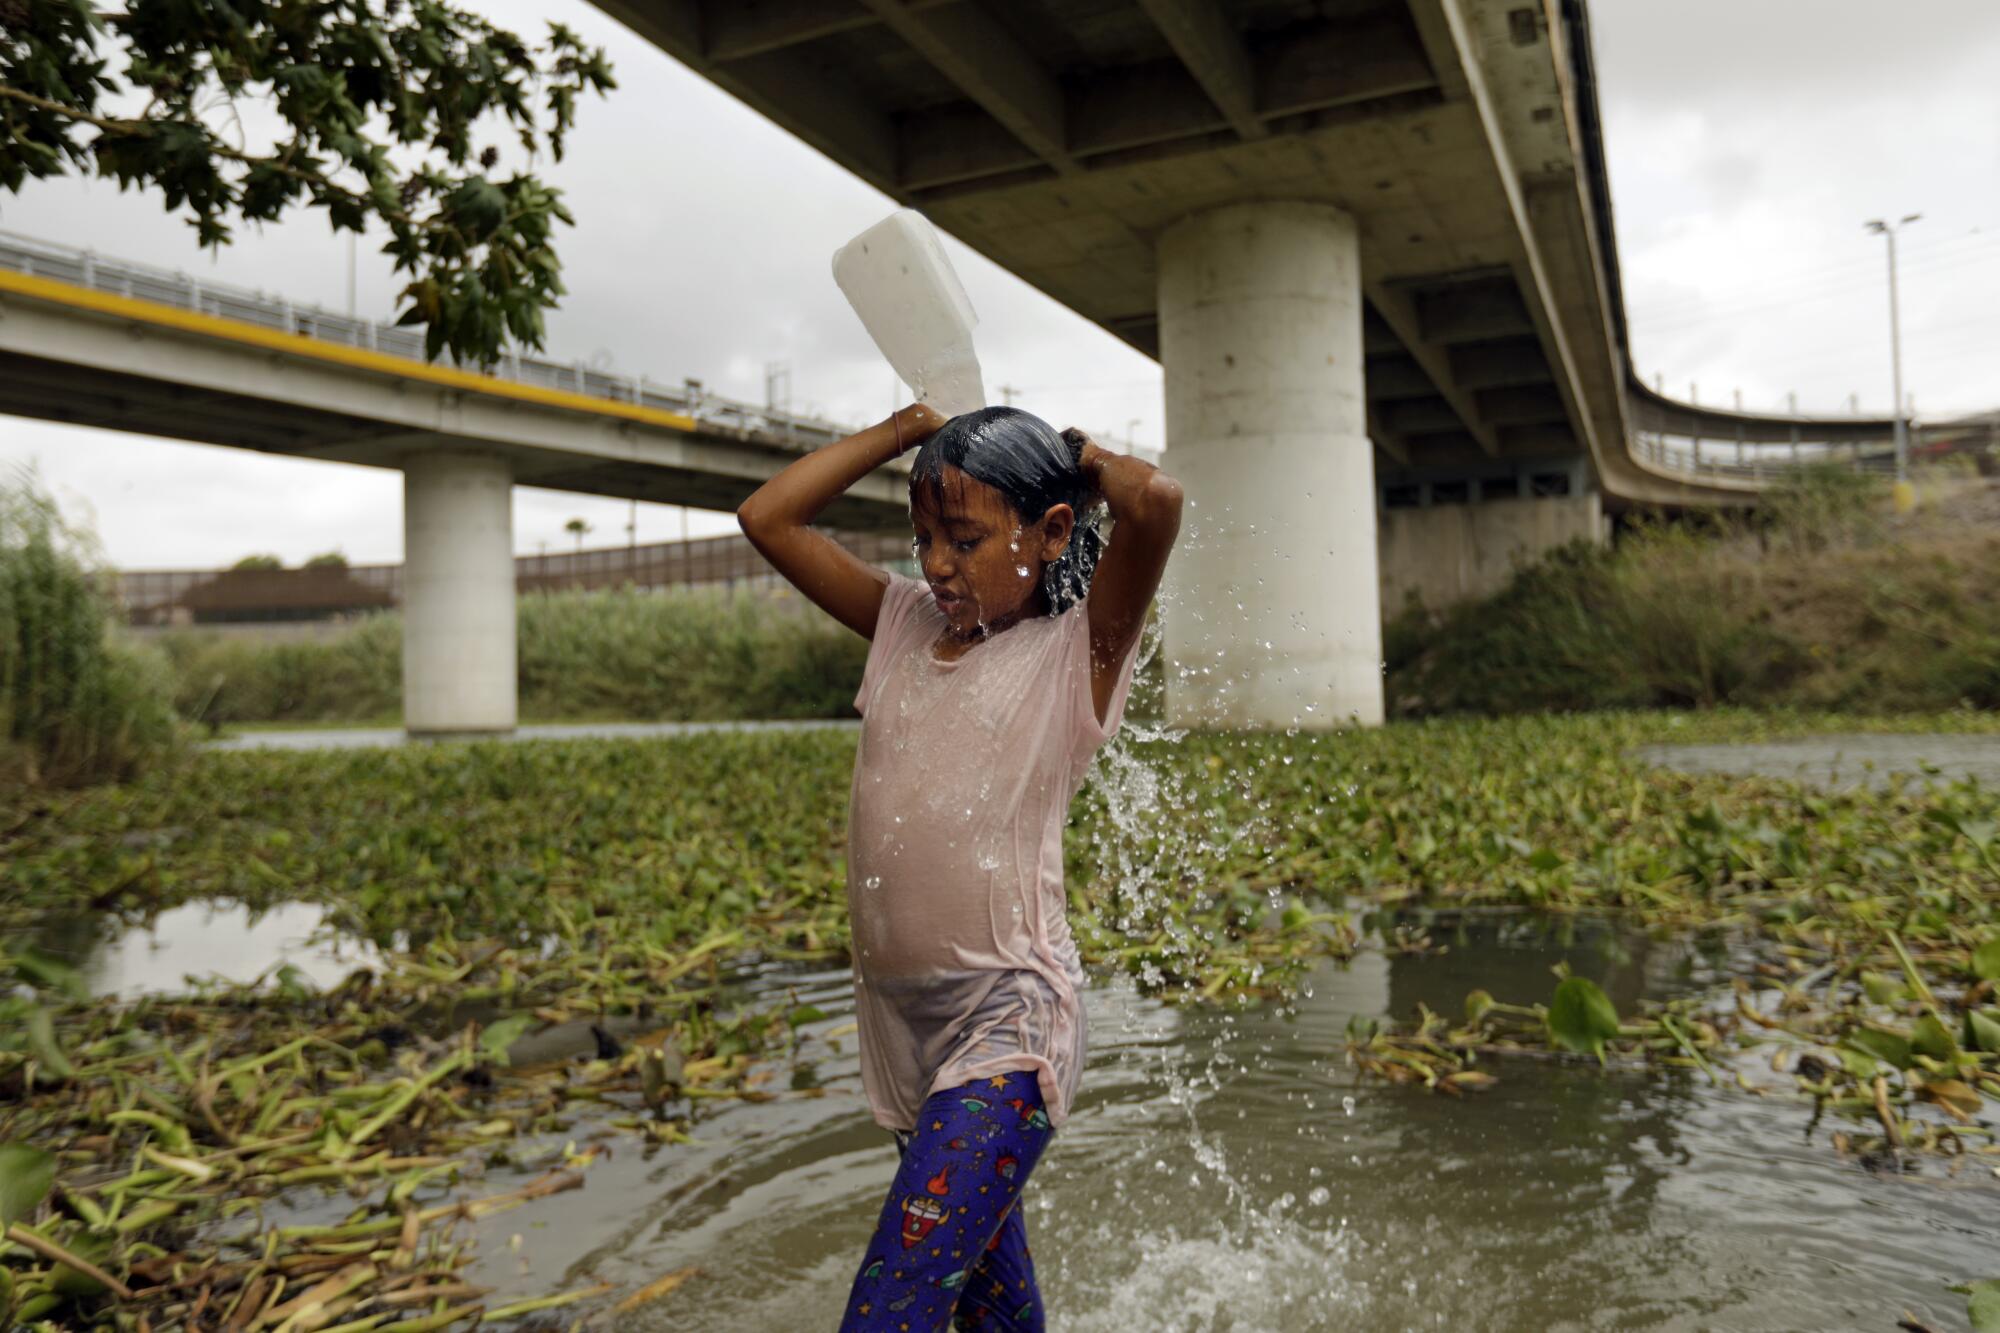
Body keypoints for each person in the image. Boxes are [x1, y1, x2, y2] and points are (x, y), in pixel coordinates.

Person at [737, 402, 1183, 1330]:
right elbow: (766, 518)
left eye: (965, 538)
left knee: (888, 1314)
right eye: (923, 536)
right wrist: (906, 429)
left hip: (1006, 1024)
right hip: (906, 1040)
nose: (935, 563)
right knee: (994, 1322)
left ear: (1052, 531)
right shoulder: (900, 624)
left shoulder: (1075, 656)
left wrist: (1076, 458)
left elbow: (1158, 502)